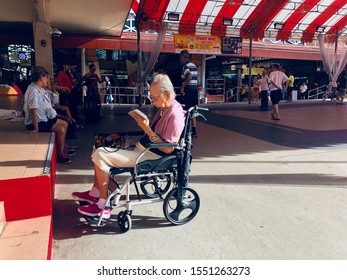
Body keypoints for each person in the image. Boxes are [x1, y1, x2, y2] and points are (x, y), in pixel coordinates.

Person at [72, 74, 185, 217]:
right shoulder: (164, 110)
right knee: (99, 145)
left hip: (149, 156)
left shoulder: (175, 115)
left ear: (167, 95)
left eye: (155, 97)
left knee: (100, 154)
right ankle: (96, 192)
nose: (153, 100)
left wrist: (147, 129)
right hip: (142, 148)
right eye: (152, 97)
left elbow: (168, 148)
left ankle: (103, 204)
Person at [23, 66, 71, 164]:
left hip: (44, 119)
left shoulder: (38, 88)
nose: (47, 80)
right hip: (38, 122)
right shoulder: (33, 91)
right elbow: (33, 111)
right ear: (41, 77)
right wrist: (36, 129)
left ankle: (61, 149)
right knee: (61, 129)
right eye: (46, 78)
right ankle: (60, 155)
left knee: (64, 123)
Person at [180, 50, 198, 137]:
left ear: (183, 57)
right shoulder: (194, 65)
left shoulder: (186, 66)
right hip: (195, 90)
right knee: (192, 110)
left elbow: (189, 76)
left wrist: (183, 85)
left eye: (181, 58)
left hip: (189, 90)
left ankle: (186, 130)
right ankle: (194, 130)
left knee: (186, 110)